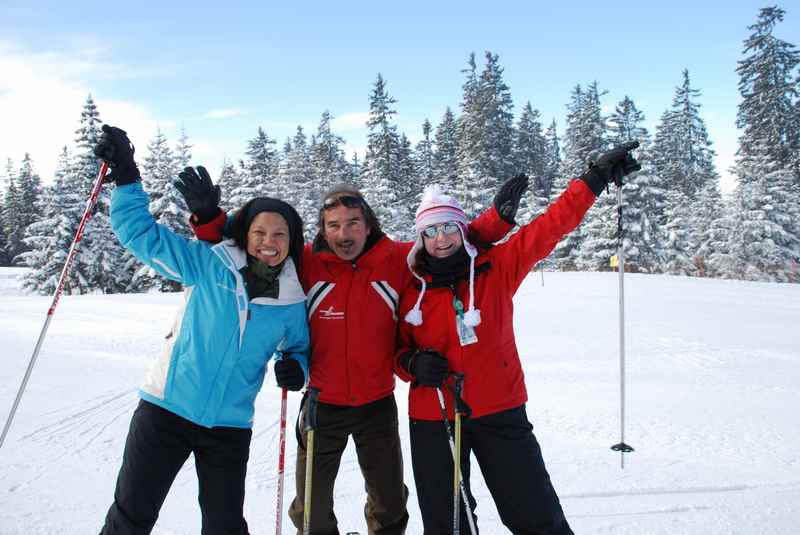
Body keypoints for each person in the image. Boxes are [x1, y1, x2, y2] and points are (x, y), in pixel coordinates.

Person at [185, 175, 524, 535]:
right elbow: (251, 248)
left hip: (376, 404)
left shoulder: (396, 258)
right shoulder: (305, 260)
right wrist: (208, 216)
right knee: (311, 513)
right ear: (322, 229)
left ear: (368, 225)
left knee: (389, 505)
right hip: (322, 404)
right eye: (333, 226)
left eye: (352, 223)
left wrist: (495, 222)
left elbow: (443, 237)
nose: (343, 234)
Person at [394, 143, 641, 534]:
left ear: (461, 231)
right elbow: (393, 349)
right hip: (433, 413)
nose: (441, 239)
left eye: (448, 228)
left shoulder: (497, 268)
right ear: (420, 239)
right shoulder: (408, 286)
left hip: (499, 408)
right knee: (447, 524)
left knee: (535, 516)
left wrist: (592, 180)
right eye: (431, 232)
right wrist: (411, 364)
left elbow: (551, 226)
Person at [93, 125, 311, 535]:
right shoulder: (209, 265)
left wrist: (296, 367)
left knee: (225, 527)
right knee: (131, 517)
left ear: (291, 241)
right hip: (167, 409)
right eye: (260, 232)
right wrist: (126, 177)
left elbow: (299, 348)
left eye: (280, 234)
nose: (269, 242)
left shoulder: (292, 300)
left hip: (229, 426)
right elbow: (141, 235)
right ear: (244, 235)